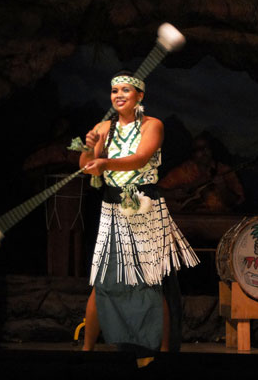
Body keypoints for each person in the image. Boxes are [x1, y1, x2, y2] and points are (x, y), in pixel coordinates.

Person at [79, 70, 199, 367]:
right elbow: (89, 169)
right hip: (113, 208)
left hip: (145, 207)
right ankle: (85, 351)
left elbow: (141, 158)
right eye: (114, 90)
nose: (118, 95)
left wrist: (105, 162)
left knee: (150, 280)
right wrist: (87, 147)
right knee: (103, 281)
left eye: (125, 91)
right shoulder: (103, 128)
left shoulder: (152, 125)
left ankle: (158, 351)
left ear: (139, 96)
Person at [157, 131, 245, 213]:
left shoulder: (224, 170)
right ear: (193, 153)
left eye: (207, 148)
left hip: (219, 219)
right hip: (188, 219)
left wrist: (222, 187)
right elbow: (157, 191)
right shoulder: (184, 170)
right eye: (200, 149)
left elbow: (236, 202)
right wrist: (172, 194)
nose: (204, 152)